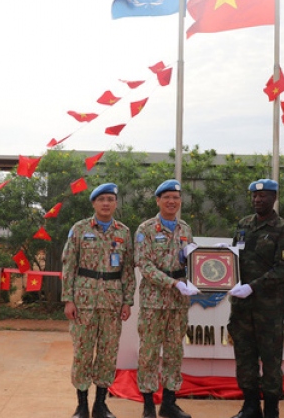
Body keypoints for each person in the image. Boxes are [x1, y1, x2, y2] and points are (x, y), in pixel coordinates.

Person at [62, 183, 136, 418]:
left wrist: (127, 301)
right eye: (101, 199)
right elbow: (69, 265)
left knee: (107, 353)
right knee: (83, 352)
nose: (106, 203)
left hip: (112, 302)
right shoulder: (80, 228)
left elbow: (127, 271)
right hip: (83, 300)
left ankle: (101, 404)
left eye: (110, 199)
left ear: (115, 203)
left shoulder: (123, 232)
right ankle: (82, 405)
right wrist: (68, 299)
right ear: (94, 203)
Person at [227, 179, 284, 418]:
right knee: (244, 358)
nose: (258, 200)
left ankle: (271, 409)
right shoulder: (243, 224)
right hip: (242, 308)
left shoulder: (283, 228)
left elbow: (283, 268)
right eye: (255, 196)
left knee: (271, 361)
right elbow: (233, 260)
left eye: (263, 196)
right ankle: (250, 406)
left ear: (274, 197)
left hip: (270, 309)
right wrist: (220, 258)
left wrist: (252, 287)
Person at [135, 179, 200, 418]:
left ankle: (169, 403)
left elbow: (193, 262)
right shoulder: (146, 229)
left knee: (174, 352)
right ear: (158, 201)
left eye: (176, 197)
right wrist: (172, 283)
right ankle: (149, 404)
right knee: (149, 352)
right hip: (155, 300)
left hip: (179, 302)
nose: (172, 201)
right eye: (167, 197)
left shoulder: (185, 229)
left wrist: (212, 258)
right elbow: (145, 265)